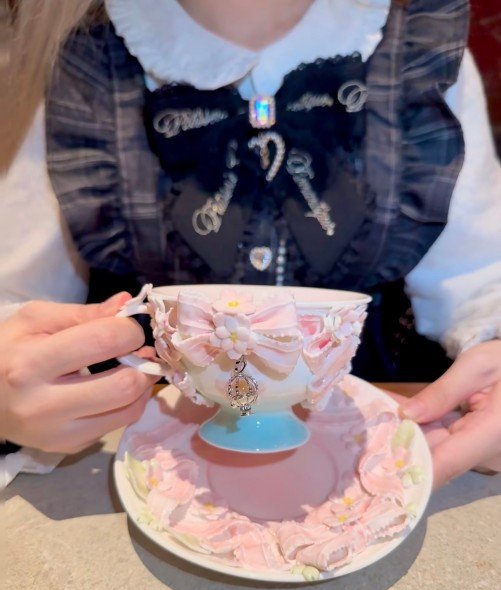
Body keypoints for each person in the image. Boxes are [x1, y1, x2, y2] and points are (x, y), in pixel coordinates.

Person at [0, 0, 499, 489]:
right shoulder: (71, 60)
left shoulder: (421, 48)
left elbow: (481, 279)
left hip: (364, 451)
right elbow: (17, 300)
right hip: (154, 460)